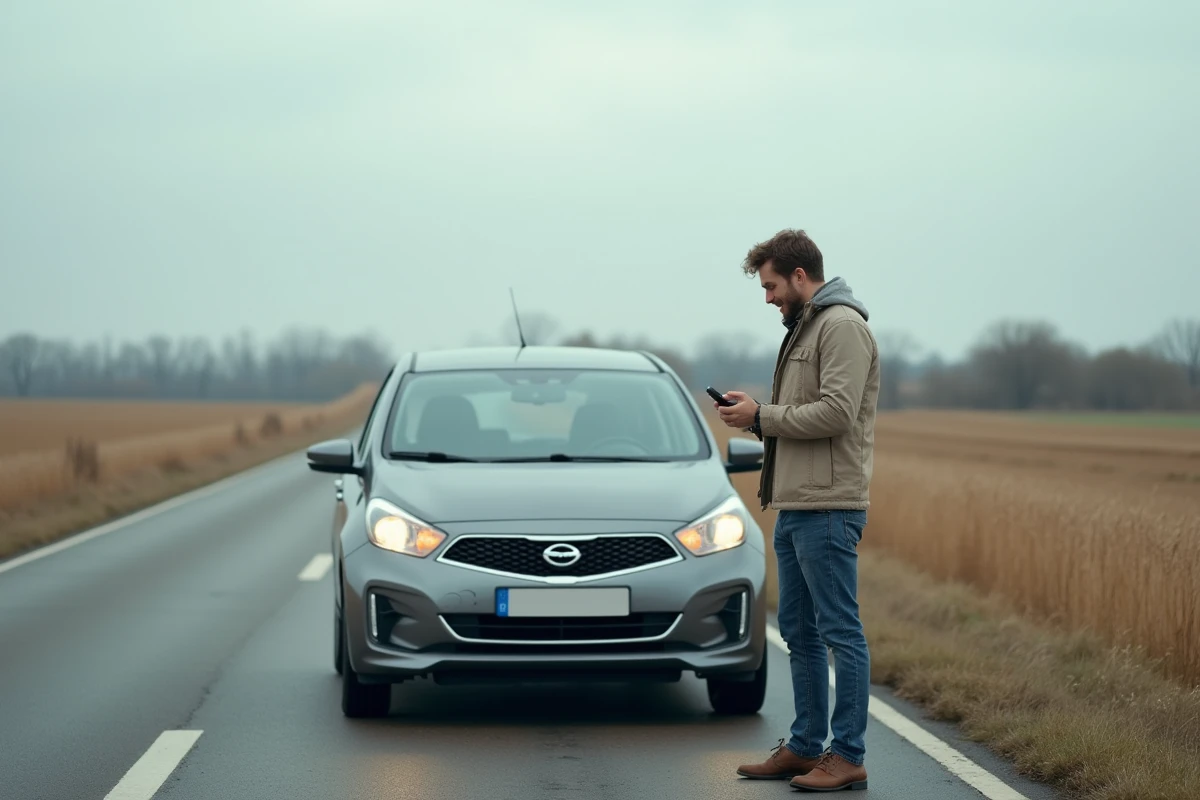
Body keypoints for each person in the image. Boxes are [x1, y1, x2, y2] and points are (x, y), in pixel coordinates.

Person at [716, 229, 878, 793]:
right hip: (795, 504)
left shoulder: (841, 327)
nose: (767, 298)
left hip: (829, 506)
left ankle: (848, 754)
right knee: (801, 633)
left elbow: (835, 413)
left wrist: (762, 417)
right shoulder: (807, 327)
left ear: (800, 277)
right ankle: (807, 747)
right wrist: (758, 413)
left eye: (771, 285)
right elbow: (802, 411)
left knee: (839, 631)